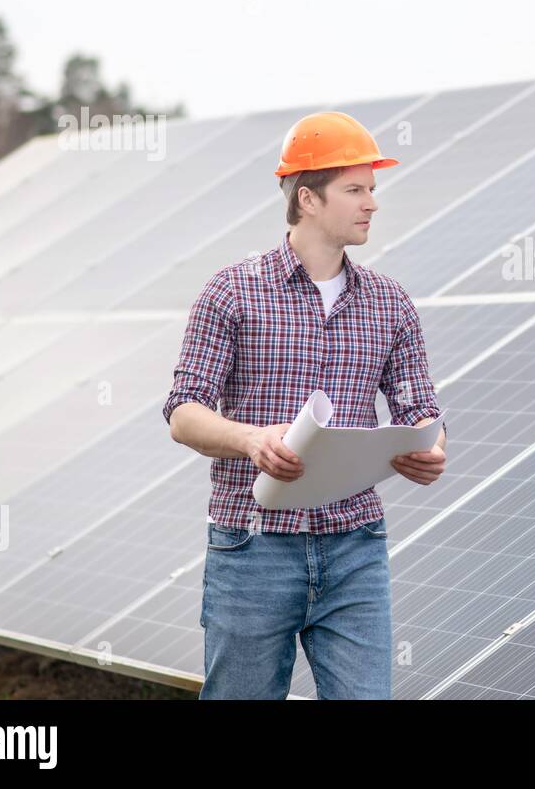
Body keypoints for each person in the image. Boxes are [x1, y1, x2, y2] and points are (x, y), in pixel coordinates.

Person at [162, 110, 447, 699]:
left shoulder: (391, 303)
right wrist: (251, 440)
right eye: (356, 189)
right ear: (309, 198)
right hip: (252, 546)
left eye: (373, 189)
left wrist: (428, 447)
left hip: (355, 547)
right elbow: (183, 412)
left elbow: (420, 407)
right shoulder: (231, 290)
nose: (372, 202)